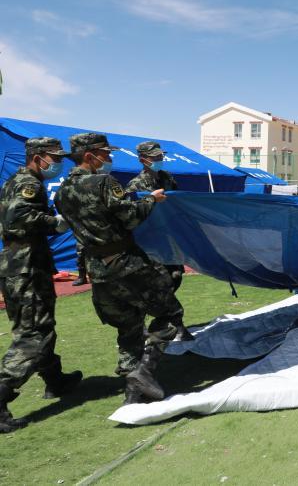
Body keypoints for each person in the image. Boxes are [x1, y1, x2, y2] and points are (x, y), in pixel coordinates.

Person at [54, 133, 183, 405]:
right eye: (105, 154)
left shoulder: (62, 191)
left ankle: (133, 392)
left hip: (97, 269)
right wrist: (151, 200)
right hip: (127, 263)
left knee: (129, 325)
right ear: (89, 156)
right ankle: (144, 372)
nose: (109, 158)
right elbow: (130, 217)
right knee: (171, 314)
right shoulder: (104, 182)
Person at [0, 138, 83, 433]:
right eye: (54, 158)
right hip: (26, 268)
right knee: (33, 334)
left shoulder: (17, 180)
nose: (57, 163)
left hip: (21, 265)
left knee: (40, 325)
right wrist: (54, 222)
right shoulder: (29, 184)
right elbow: (17, 218)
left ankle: (54, 380)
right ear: (37, 157)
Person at [125, 141, 193, 342]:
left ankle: (165, 324)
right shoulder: (135, 185)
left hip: (168, 239)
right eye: (154, 157)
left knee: (175, 276)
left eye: (160, 156)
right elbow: (133, 214)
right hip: (149, 242)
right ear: (143, 160)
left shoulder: (167, 178)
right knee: (157, 284)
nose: (159, 159)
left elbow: (176, 201)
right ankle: (165, 325)